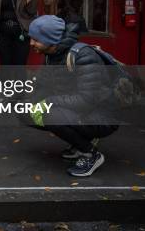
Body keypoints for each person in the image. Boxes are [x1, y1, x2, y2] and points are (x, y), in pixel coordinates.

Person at [28, 15, 118, 177]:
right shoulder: (51, 55)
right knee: (26, 111)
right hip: (80, 110)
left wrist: (48, 102)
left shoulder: (83, 56)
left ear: (51, 39)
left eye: (36, 39)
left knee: (50, 115)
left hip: (103, 116)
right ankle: (80, 142)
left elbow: (87, 100)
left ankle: (91, 154)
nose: (31, 43)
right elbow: (41, 85)